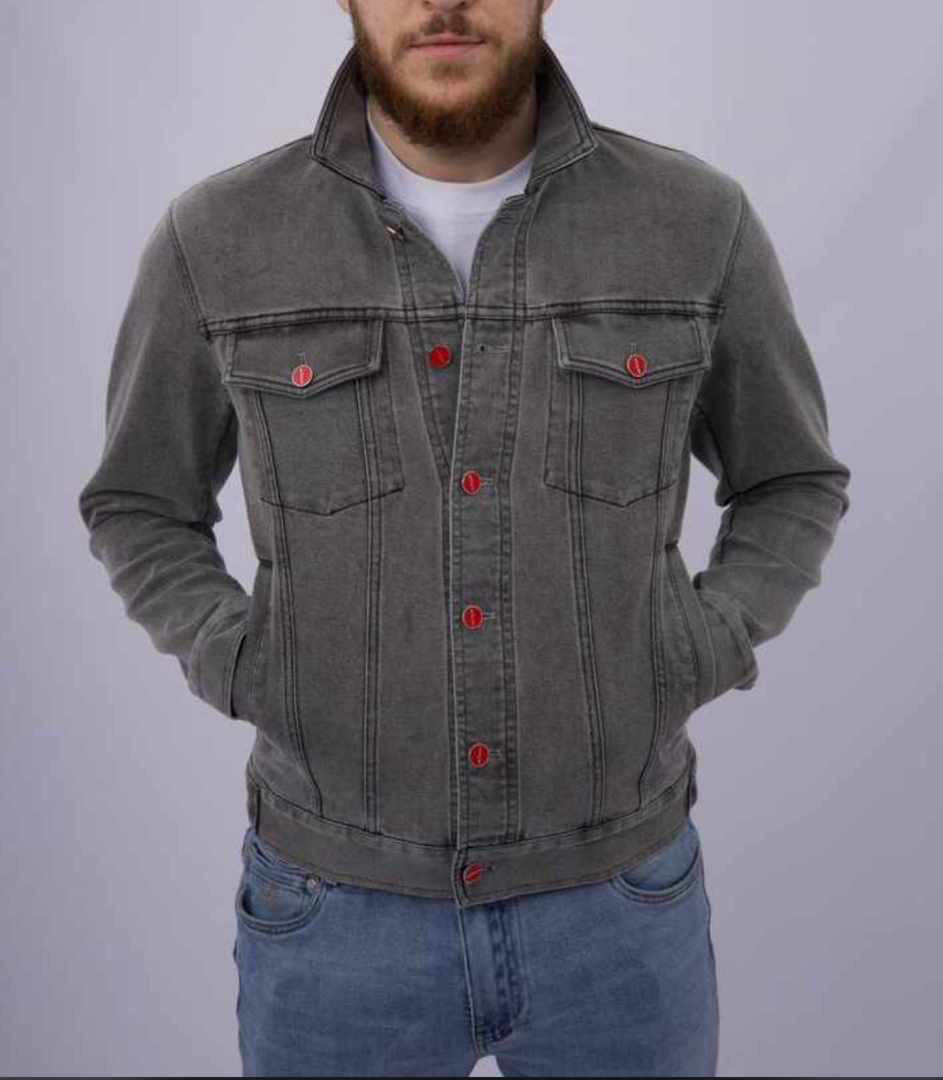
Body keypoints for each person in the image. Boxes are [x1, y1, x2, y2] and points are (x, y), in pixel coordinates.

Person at [77, 1, 852, 1075]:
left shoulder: (693, 222)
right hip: (332, 917)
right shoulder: (217, 238)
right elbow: (138, 501)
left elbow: (791, 480)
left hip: (622, 911)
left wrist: (698, 644)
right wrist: (242, 658)